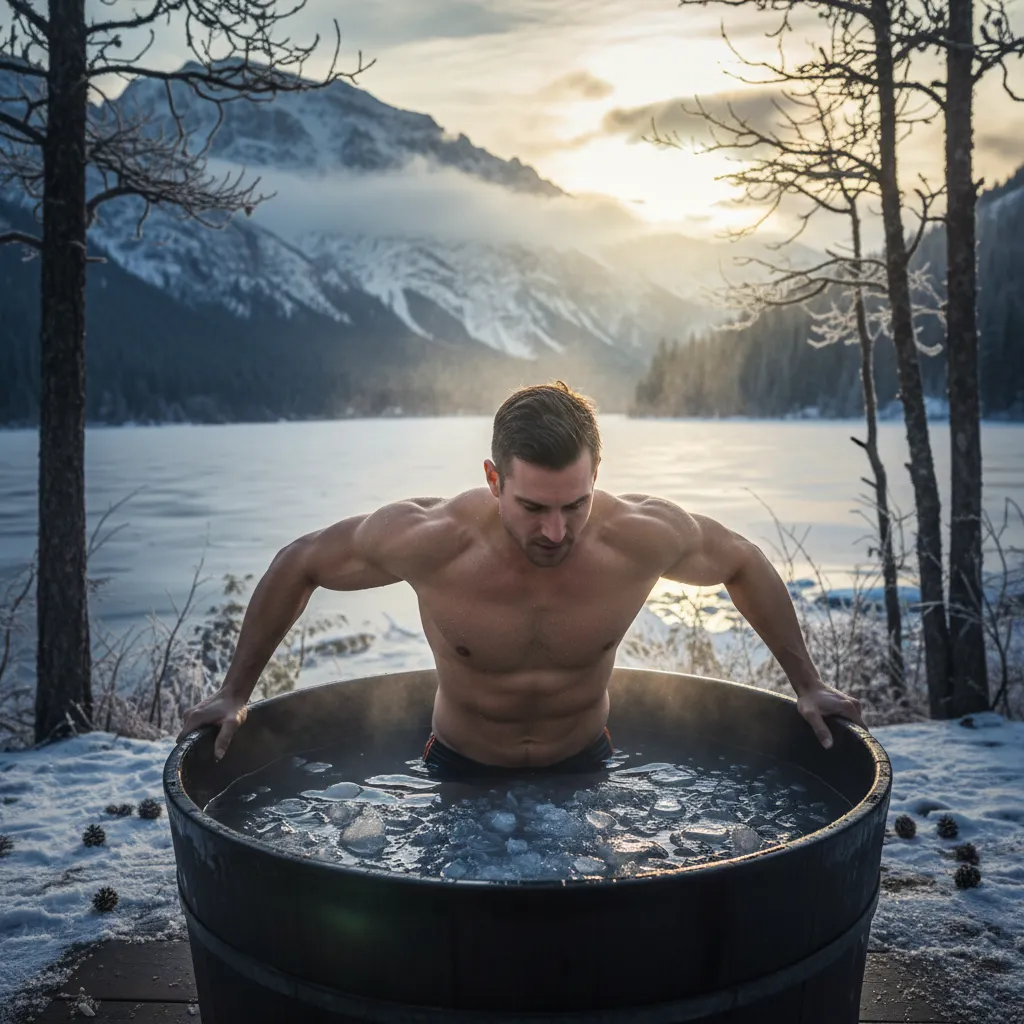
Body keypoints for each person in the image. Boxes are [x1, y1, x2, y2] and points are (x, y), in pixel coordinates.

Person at [176, 381, 865, 776]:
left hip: (587, 762)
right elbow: (301, 561)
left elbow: (741, 559)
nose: (556, 532)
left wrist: (806, 684)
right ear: (493, 479)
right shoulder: (430, 541)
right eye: (534, 508)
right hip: (457, 768)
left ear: (598, 476)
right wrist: (235, 693)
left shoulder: (642, 536)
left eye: (575, 505)